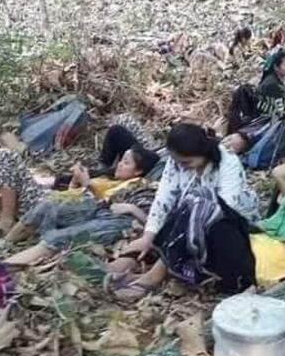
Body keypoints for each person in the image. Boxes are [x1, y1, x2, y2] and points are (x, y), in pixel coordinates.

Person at [106, 123, 260, 299]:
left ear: (203, 153)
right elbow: (164, 197)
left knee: (198, 200)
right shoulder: (177, 161)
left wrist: (184, 217)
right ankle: (128, 264)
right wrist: (148, 237)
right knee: (166, 223)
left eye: (186, 162)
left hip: (230, 228)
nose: (182, 166)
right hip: (191, 219)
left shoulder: (228, 163)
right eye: (178, 162)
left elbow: (223, 209)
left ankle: (153, 277)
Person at [2, 148, 160, 265]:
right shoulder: (108, 177)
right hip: (76, 203)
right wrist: (76, 183)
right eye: (121, 160)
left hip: (106, 217)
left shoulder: (140, 188)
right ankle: (4, 244)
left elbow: (152, 222)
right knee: (48, 206)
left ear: (138, 171)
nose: (119, 165)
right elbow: (77, 192)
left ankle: (5, 267)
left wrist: (132, 209)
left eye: (126, 163)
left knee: (59, 237)